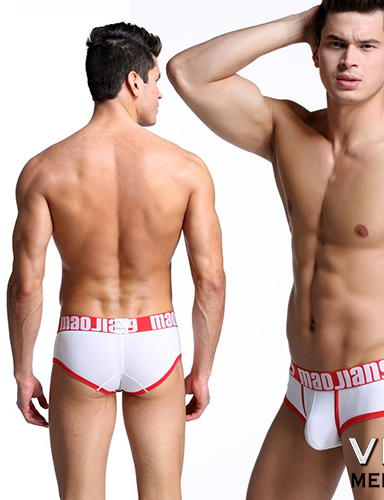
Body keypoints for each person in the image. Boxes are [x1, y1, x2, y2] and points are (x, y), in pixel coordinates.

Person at [167, 1, 384, 499]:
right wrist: (301, 24)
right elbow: (187, 73)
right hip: (303, 392)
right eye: (336, 44)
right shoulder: (286, 132)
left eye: (367, 46)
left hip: (381, 395)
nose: (349, 61)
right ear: (315, 52)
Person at [7, 22, 225, 500]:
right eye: (156, 81)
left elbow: (26, 284)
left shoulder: (44, 170)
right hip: (155, 339)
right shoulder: (186, 169)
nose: (160, 94)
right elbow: (210, 281)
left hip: (83, 339)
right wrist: (202, 371)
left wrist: (23, 372)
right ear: (133, 82)